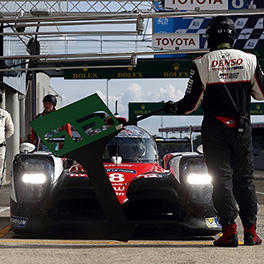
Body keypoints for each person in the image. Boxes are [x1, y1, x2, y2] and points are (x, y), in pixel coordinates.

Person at [164, 16, 264, 247]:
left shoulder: (201, 63)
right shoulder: (250, 60)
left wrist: (174, 107)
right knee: (246, 181)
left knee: (221, 182)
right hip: (241, 127)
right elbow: (261, 93)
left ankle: (229, 233)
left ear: (210, 37)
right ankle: (251, 232)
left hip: (215, 129)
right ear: (232, 35)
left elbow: (190, 104)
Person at [0, 89, 14, 188]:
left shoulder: (4, 114)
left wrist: (2, 139)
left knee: (0, 170)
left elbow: (10, 130)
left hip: (0, 147)